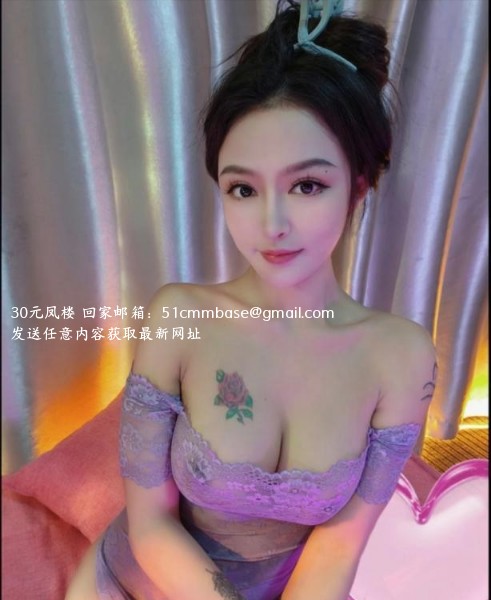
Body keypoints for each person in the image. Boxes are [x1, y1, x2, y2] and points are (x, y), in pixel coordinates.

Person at [66, 0, 437, 598]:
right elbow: (150, 523)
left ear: (360, 182)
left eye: (307, 185)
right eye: (243, 188)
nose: (272, 225)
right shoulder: (180, 319)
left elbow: (339, 545)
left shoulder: (402, 357)